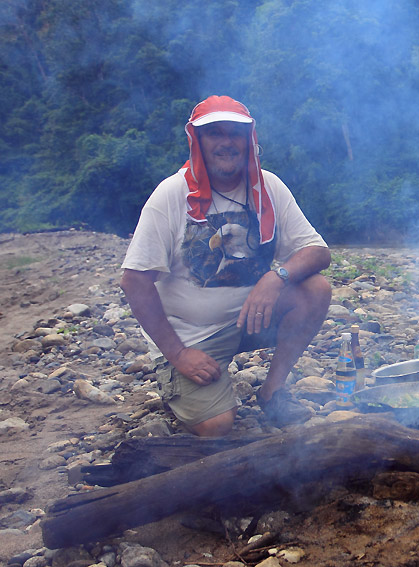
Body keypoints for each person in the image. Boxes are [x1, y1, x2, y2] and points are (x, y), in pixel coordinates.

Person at [120, 95, 331, 436]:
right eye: (214, 133)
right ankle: (175, 379)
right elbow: (134, 281)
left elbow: (318, 251)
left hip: (250, 317)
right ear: (197, 141)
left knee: (315, 289)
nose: (226, 142)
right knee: (217, 427)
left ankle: (272, 392)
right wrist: (178, 353)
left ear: (248, 139)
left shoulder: (269, 187)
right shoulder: (171, 195)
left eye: (234, 132)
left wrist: (275, 278)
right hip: (191, 335)